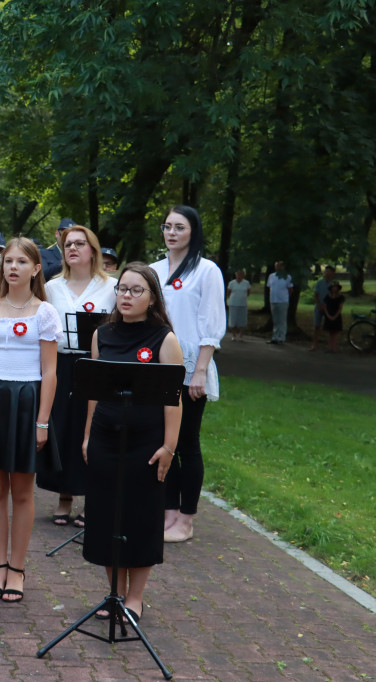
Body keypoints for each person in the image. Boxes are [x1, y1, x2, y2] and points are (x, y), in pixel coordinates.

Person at [82, 262, 184, 623]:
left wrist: (169, 447)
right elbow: (93, 391)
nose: (126, 296)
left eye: (135, 290)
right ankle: (114, 594)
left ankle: (135, 598)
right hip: (106, 438)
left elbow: (174, 399)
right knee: (107, 515)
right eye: (122, 289)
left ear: (152, 297)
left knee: (139, 517)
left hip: (146, 443)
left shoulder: (164, 339)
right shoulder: (102, 335)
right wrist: (87, 434)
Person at [0, 237, 61, 602]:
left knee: (22, 491)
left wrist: (43, 420)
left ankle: (17, 569)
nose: (13, 267)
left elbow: (50, 372)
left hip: (27, 401)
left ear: (36, 269)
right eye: (8, 262)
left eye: (21, 261)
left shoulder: (45, 313)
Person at [150, 205, 225, 543]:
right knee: (162, 442)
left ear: (193, 232)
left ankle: (186, 519)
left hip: (190, 370)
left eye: (179, 227)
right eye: (167, 226)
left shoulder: (206, 271)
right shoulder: (152, 270)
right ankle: (167, 513)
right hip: (155, 367)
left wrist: (200, 371)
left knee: (186, 444)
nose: (171, 233)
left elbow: (211, 324)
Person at [36, 226, 115, 528]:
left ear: (93, 250)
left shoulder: (112, 286)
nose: (72, 249)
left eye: (80, 244)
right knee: (64, 429)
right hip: (62, 365)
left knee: (93, 430)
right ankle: (63, 497)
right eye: (68, 244)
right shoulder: (52, 287)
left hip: (98, 365)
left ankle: (91, 499)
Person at [265, 261, 293, 345]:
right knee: (276, 320)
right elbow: (270, 287)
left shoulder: (287, 277)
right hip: (273, 300)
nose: (278, 268)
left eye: (280, 266)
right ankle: (275, 337)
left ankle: (281, 337)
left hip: (283, 301)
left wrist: (286, 297)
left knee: (282, 320)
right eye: (276, 266)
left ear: (283, 267)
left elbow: (290, 289)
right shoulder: (271, 276)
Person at [309, 265, 336, 351]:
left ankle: (330, 347)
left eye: (329, 271)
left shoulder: (334, 284)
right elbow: (316, 295)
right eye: (326, 271)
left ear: (333, 273)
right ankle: (314, 345)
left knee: (330, 327)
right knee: (317, 326)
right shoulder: (320, 283)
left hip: (330, 308)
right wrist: (319, 305)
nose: (327, 273)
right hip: (319, 306)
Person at [226, 269, 251, 341]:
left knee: (242, 320)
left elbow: (248, 292)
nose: (239, 275)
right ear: (235, 275)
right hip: (233, 303)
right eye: (238, 274)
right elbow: (228, 293)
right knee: (233, 320)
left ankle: (241, 335)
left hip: (243, 304)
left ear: (243, 275)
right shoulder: (232, 283)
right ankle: (233, 335)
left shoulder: (246, 283)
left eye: (241, 274)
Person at [322, 282, 345, 352]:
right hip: (329, 314)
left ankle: (334, 347)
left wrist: (335, 316)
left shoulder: (341, 297)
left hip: (336, 315)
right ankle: (329, 347)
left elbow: (340, 308)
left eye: (336, 287)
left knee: (335, 332)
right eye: (333, 287)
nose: (334, 289)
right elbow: (325, 307)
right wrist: (328, 315)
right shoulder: (327, 297)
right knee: (330, 332)